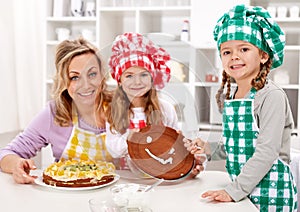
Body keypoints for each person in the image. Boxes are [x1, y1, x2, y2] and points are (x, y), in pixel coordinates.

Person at [197, 4, 298, 211]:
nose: (234, 56)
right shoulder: (233, 96)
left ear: (263, 55)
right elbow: (236, 148)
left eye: (244, 49)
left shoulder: (271, 97)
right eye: (226, 51)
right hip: (244, 193)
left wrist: (232, 191)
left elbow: (266, 153)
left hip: (271, 194)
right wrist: (208, 149)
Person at [0, 38, 113, 184]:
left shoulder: (124, 107)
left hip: (117, 199)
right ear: (63, 81)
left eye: (92, 74)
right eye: (74, 77)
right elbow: (7, 154)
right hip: (67, 200)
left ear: (103, 75)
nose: (85, 85)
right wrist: (17, 165)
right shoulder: (54, 114)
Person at [105, 32, 204, 176]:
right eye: (129, 75)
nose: (137, 82)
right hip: (127, 178)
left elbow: (175, 146)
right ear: (119, 81)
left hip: (160, 176)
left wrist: (189, 166)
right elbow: (113, 151)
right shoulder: (114, 111)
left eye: (144, 74)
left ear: (152, 78)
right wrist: (130, 138)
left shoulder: (166, 109)